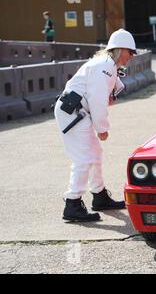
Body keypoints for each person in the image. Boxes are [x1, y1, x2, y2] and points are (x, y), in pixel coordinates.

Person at [54, 29, 137, 222]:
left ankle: (99, 196)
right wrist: (102, 129)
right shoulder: (105, 66)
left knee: (95, 154)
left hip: (76, 111)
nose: (132, 57)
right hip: (74, 113)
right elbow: (97, 99)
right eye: (130, 52)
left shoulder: (107, 64)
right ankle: (72, 203)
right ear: (120, 49)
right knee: (84, 158)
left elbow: (101, 93)